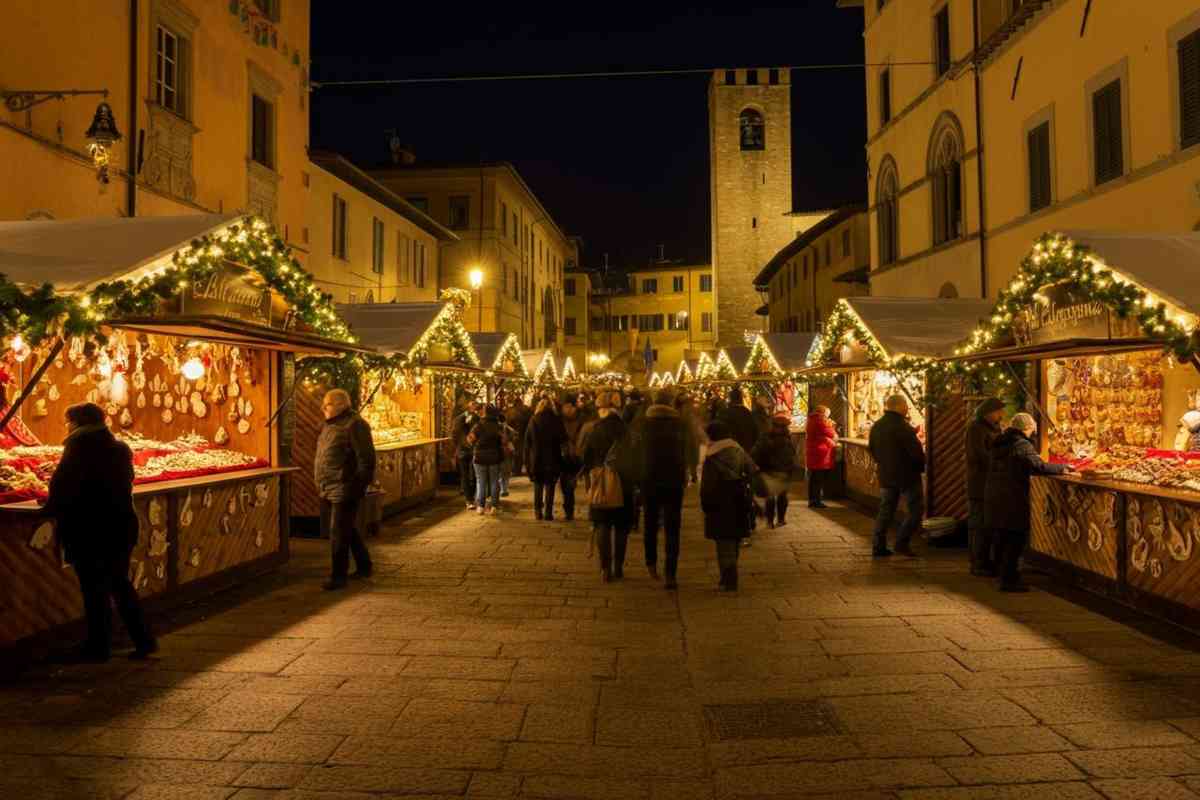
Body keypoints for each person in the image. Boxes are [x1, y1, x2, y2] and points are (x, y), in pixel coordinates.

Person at [40, 402, 156, 662]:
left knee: (93, 589)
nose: (67, 426)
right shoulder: (119, 448)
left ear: (78, 422)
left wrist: (47, 509)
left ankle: (98, 645)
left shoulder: (78, 447)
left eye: (68, 421)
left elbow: (62, 485)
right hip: (121, 524)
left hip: (89, 527)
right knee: (120, 583)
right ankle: (144, 640)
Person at [985, 412, 1070, 592]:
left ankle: (1001, 574)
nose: (1033, 433)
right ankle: (1009, 580)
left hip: (996, 494)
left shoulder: (1000, 442)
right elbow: (1037, 466)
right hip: (1012, 496)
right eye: (1032, 430)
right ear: (1026, 428)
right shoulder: (1022, 444)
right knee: (1015, 537)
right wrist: (1063, 468)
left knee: (1001, 536)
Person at [315, 388, 377, 590]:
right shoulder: (329, 425)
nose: (324, 407)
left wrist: (357, 485)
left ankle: (338, 576)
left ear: (342, 405)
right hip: (328, 485)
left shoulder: (355, 425)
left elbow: (366, 459)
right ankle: (364, 565)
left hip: (344, 487)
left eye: (329, 403)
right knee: (346, 529)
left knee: (338, 532)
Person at [637, 390, 689, 589]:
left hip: (649, 480)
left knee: (650, 523)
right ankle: (670, 573)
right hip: (673, 481)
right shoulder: (680, 425)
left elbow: (636, 453)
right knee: (673, 527)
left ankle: (651, 564)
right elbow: (685, 453)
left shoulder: (643, 424)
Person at [582, 392, 636, 582]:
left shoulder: (595, 429)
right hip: (623, 482)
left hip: (601, 482)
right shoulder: (625, 429)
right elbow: (633, 457)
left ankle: (605, 568)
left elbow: (586, 456)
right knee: (621, 527)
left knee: (602, 524)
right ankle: (618, 567)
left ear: (601, 409)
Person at [701, 421, 757, 592]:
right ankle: (729, 574)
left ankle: (728, 577)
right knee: (734, 538)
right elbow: (752, 469)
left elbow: (707, 484)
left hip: (719, 499)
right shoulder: (738, 449)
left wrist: (705, 504)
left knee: (722, 541)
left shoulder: (711, 455)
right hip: (738, 497)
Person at [867, 394, 925, 558]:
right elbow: (915, 453)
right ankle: (901, 542)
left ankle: (878, 546)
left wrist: (883, 464)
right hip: (907, 475)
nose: (907, 408)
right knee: (916, 509)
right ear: (899, 406)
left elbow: (871, 448)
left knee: (886, 511)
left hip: (886, 474)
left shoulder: (877, 426)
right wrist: (921, 466)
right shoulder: (903, 426)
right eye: (906, 405)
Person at [966, 397, 1006, 576]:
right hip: (980, 483)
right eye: (998, 411)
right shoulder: (976, 429)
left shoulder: (993, 428)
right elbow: (979, 454)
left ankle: (984, 560)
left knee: (986, 524)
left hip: (990, 483)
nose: (1001, 415)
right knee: (980, 524)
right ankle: (978, 562)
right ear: (989, 413)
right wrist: (1000, 462)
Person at [524, 397, 566, 520]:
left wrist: (527, 460)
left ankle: (538, 512)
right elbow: (563, 438)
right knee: (550, 486)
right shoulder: (556, 420)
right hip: (553, 458)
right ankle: (548, 512)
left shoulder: (533, 420)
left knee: (538, 486)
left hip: (537, 459)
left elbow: (527, 442)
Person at [753, 413, 797, 527]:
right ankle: (780, 520)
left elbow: (756, 452)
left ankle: (770, 521)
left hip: (769, 470)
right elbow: (792, 455)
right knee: (781, 496)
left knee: (771, 496)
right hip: (783, 471)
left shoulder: (765, 437)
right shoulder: (788, 439)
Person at [468, 405, 507, 515]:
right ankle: (494, 506)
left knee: (481, 482)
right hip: (494, 457)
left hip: (480, 457)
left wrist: (475, 444)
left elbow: (470, 440)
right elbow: (504, 441)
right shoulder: (498, 426)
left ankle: (480, 506)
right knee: (494, 481)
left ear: (485, 413)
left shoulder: (478, 425)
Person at [805, 405, 838, 509]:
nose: (828, 418)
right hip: (820, 454)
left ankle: (812, 500)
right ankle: (817, 501)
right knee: (818, 479)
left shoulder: (811, 420)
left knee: (813, 478)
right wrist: (831, 426)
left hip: (813, 452)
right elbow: (832, 434)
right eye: (827, 415)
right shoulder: (820, 421)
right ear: (823, 413)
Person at [452, 398, 480, 509]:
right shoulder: (459, 419)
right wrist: (458, 446)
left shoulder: (477, 419)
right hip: (465, 451)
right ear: (469, 408)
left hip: (472, 451)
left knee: (473, 475)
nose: (476, 410)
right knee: (466, 475)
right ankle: (469, 500)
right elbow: (454, 435)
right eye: (475, 408)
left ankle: (470, 499)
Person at [676, 393, 703, 484]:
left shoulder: (682, 412)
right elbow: (696, 425)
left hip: (688, 438)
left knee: (689, 457)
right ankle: (691, 475)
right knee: (689, 457)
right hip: (688, 438)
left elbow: (697, 424)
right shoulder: (688, 412)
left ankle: (690, 475)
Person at [720, 388, 758, 452]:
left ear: (731, 399)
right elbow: (755, 430)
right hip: (746, 447)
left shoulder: (726, 413)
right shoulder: (747, 412)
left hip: (731, 449)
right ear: (741, 399)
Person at [507, 396, 532, 476]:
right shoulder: (527, 410)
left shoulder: (510, 411)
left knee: (515, 453)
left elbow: (507, 424)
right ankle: (526, 469)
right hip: (524, 434)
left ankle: (516, 470)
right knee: (524, 452)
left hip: (514, 435)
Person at [499, 412, 519, 497]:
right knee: (506, 472)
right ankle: (504, 489)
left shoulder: (497, 427)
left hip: (499, 451)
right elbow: (515, 434)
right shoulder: (507, 427)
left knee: (500, 472)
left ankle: (502, 489)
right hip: (507, 451)